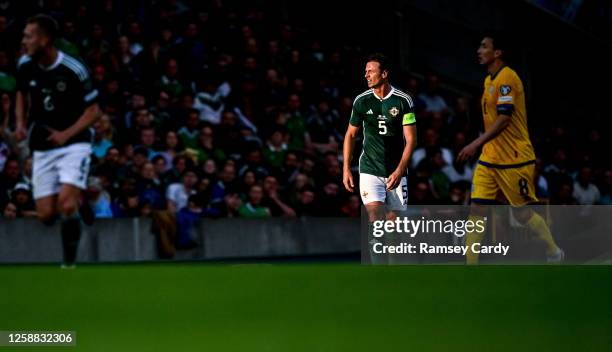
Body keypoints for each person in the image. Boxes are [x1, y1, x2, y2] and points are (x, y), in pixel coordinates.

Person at [457, 33, 563, 263]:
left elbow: (504, 119)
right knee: (477, 210)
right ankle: (469, 265)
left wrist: (475, 143)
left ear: (497, 53)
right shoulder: (488, 81)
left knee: (521, 213)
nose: (479, 50)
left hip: (515, 158)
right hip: (489, 158)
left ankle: (554, 251)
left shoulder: (508, 79)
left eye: (484, 46)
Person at [14, 14, 101, 267]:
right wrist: (19, 123)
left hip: (75, 142)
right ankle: (75, 209)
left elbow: (94, 111)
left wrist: (66, 134)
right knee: (45, 215)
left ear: (45, 39)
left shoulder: (73, 68)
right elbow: (20, 92)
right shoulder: (25, 65)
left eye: (29, 36)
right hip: (43, 146)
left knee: (65, 205)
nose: (24, 41)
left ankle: (69, 263)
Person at [342, 53, 417, 253]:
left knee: (393, 223)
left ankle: (391, 269)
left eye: (371, 71)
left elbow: (411, 139)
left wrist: (401, 169)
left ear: (384, 74)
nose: (366, 75)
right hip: (369, 168)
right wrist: (346, 169)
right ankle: (376, 268)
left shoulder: (403, 101)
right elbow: (350, 135)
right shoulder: (361, 101)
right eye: (365, 72)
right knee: (375, 217)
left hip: (395, 170)